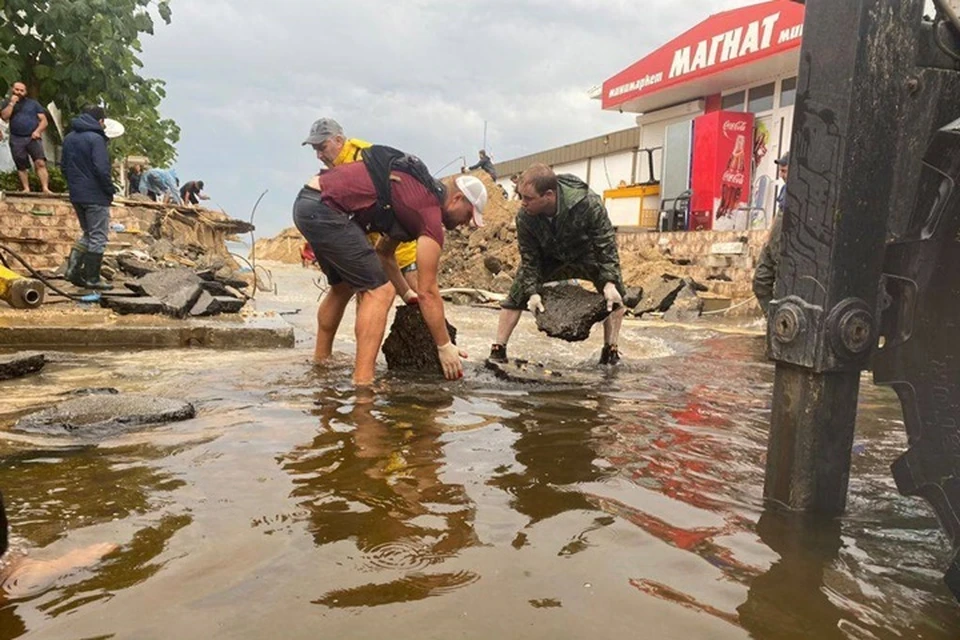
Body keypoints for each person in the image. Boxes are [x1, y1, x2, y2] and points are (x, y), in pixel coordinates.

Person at [293, 143, 487, 385]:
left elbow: (384, 254)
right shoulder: (429, 213)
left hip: (309, 202)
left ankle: (321, 364)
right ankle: (363, 384)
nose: (466, 223)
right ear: (457, 199)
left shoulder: (413, 197)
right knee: (380, 291)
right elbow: (428, 291)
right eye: (469, 215)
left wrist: (406, 293)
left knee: (342, 287)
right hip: (326, 208)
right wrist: (444, 346)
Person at [488, 163, 627, 365]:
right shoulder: (525, 217)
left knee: (616, 296)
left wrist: (609, 283)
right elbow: (530, 257)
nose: (522, 203)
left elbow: (605, 243)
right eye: (520, 197)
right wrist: (532, 292)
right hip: (549, 257)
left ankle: (610, 350)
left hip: (585, 254)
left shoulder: (587, 203)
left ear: (549, 196)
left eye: (528, 198)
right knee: (516, 294)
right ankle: (498, 349)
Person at [303, 118, 420, 291]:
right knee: (369, 297)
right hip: (370, 248)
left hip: (398, 245)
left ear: (338, 140)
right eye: (315, 150)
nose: (319, 155)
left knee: (417, 295)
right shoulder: (335, 170)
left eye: (322, 148)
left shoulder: (365, 157)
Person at [60, 105, 118, 290]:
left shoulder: (69, 138)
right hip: (95, 195)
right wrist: (109, 189)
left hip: (77, 194)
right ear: (100, 121)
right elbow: (102, 169)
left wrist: (75, 185)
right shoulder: (96, 139)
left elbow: (63, 167)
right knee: (98, 236)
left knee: (87, 233)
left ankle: (73, 271)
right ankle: (93, 278)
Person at [752, 152, 789, 316]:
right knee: (760, 280)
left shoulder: (802, 192)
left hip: (785, 248)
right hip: (772, 243)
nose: (781, 175)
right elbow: (779, 212)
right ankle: (771, 317)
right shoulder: (784, 189)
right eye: (781, 171)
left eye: (784, 171)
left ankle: (783, 320)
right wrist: (769, 235)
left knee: (783, 286)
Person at [0, 82, 52, 193]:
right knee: (21, 165)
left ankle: (45, 188)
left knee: (40, 162)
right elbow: (4, 117)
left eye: (21, 90)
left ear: (25, 92)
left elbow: (44, 121)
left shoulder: (33, 104)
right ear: (12, 90)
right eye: (16, 89)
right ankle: (26, 188)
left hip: (33, 137)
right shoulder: (6, 103)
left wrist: (38, 131)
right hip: (16, 138)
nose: (18, 92)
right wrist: (11, 104)